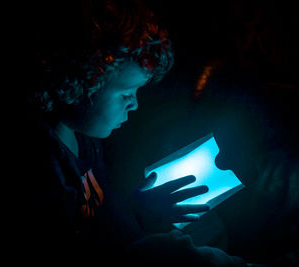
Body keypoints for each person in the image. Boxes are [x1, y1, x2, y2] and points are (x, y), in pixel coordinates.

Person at [14, 0, 249, 265]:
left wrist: (140, 214)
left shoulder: (85, 139)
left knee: (206, 231)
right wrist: (142, 223)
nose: (134, 104)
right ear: (80, 81)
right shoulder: (41, 165)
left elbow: (104, 220)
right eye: (126, 93)